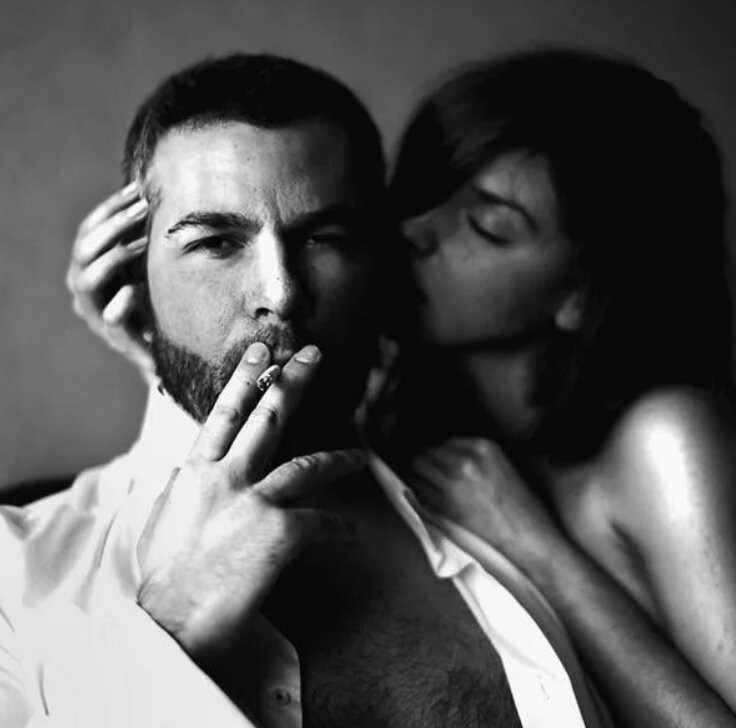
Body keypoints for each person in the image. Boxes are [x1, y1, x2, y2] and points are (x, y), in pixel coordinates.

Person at [67, 49, 736, 728]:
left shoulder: (666, 437)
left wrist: (541, 552)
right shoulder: (424, 427)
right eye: (420, 198)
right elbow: (286, 367)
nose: (414, 235)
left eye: (488, 227)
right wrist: (157, 337)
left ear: (582, 294)